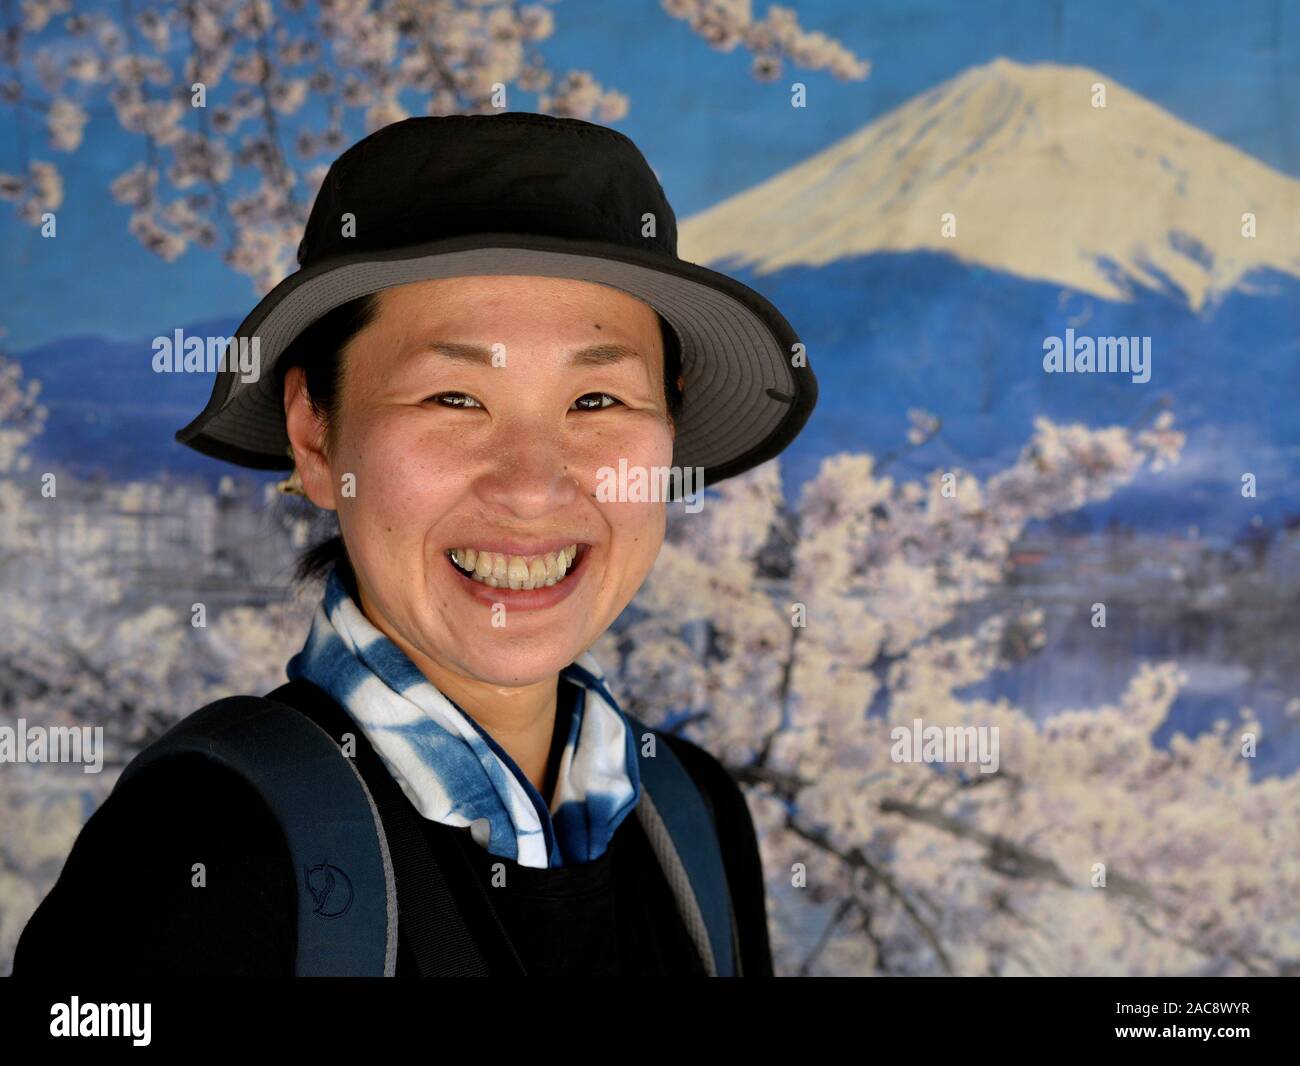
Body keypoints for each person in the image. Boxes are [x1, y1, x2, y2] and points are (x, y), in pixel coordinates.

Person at [13, 111, 817, 977]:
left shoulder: (693, 821)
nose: (533, 485)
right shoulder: (201, 851)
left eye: (597, 403)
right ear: (316, 438)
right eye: (453, 399)